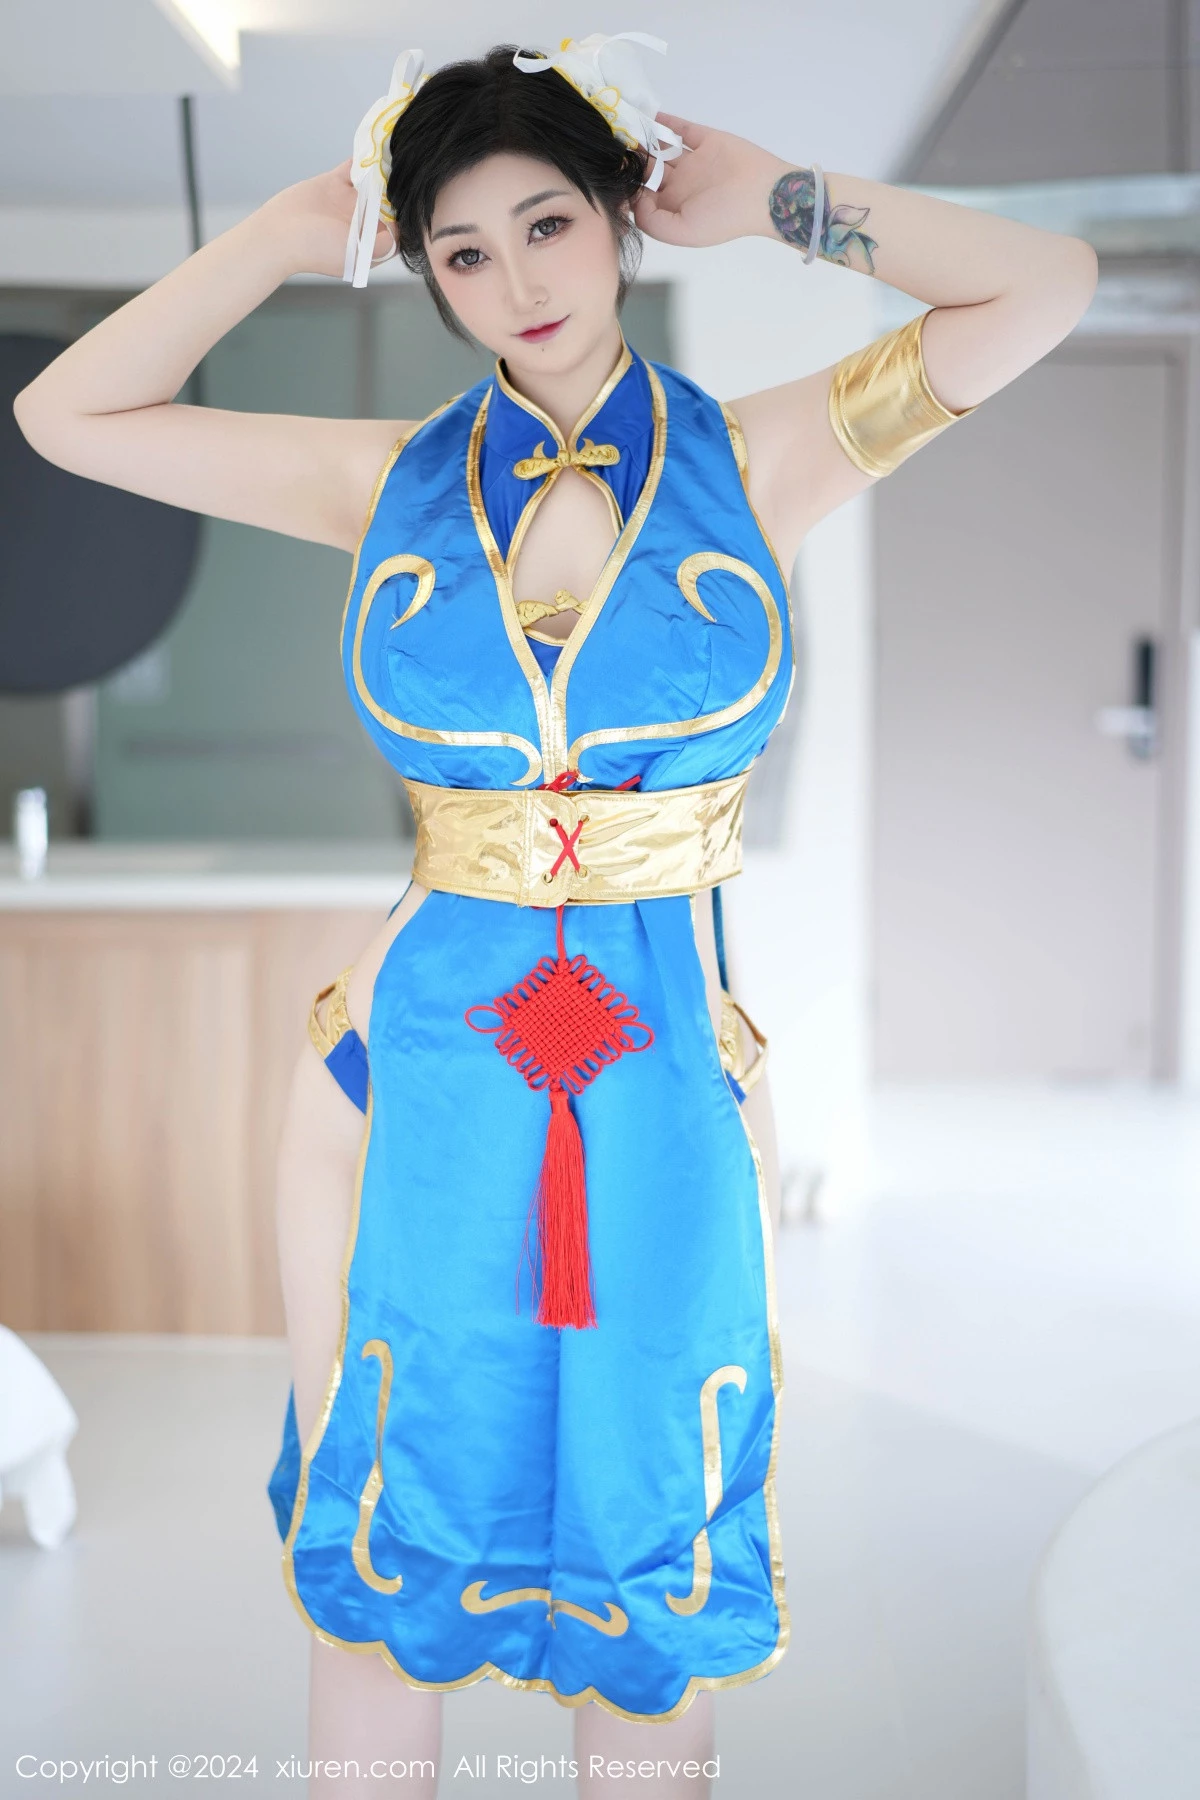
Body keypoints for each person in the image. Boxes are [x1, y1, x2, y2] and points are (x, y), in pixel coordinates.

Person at [12, 33, 1097, 1800]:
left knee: (649, 1568)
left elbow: (1049, 287)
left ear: (617, 216)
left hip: (662, 1100)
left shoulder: (764, 456)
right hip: (405, 1086)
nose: (515, 281)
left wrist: (782, 204)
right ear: (424, 274)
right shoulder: (383, 479)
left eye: (547, 224)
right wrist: (286, 230)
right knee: (382, 1556)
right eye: (461, 251)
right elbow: (65, 417)